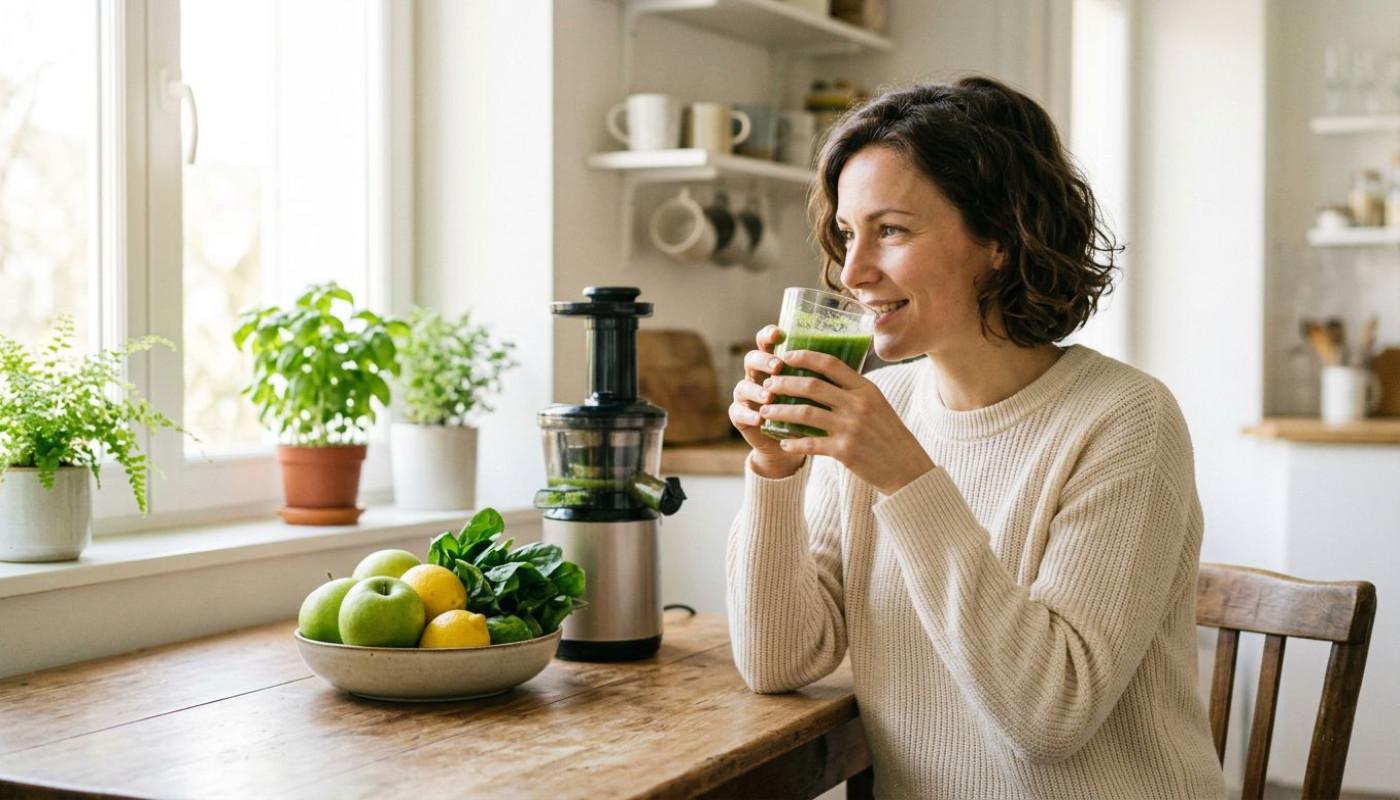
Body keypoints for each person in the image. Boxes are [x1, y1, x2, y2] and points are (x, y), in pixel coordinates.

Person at [726, 76, 1226, 799]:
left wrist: (908, 478)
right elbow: (779, 661)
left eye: (891, 230)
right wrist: (774, 469)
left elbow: (1051, 714)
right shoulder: (880, 408)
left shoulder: (1126, 419)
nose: (853, 272)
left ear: (999, 238)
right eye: (848, 233)